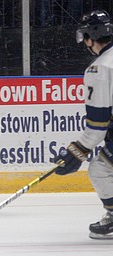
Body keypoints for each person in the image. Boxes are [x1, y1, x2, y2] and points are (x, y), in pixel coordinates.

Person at [52, 10, 113, 239]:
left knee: (100, 169)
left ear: (89, 38)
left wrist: (76, 152)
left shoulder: (100, 69)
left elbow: (97, 126)